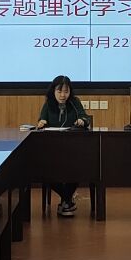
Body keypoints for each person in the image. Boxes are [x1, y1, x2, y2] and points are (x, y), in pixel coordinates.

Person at [36, 75, 89, 217]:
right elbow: (41, 119)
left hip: (72, 149)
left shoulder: (74, 102)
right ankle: (67, 200)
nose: (63, 95)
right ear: (53, 91)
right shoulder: (48, 103)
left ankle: (65, 201)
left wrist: (82, 121)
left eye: (66, 91)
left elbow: (85, 117)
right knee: (44, 170)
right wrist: (41, 122)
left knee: (79, 167)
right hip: (51, 149)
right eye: (59, 91)